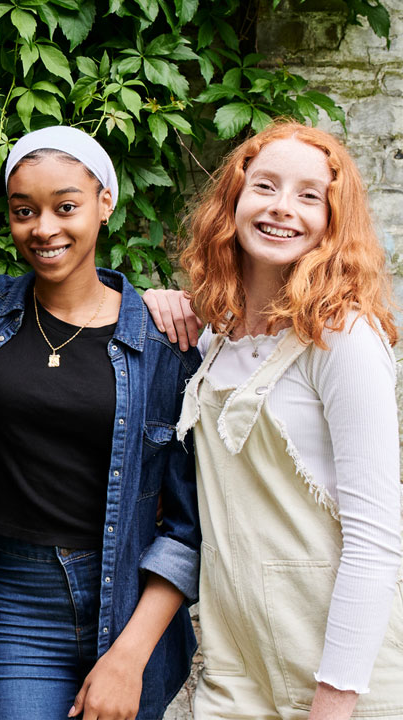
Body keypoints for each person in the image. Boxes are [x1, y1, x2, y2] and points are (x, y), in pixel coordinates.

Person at [0, 126, 201, 720]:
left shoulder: (162, 340)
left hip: (129, 603)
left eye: (66, 206)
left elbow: (189, 526)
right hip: (19, 597)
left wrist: (128, 657)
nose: (44, 228)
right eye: (23, 211)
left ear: (105, 203)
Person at [170, 121, 403, 719]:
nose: (282, 209)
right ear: (234, 202)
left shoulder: (343, 339)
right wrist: (155, 302)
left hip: (342, 672)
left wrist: (337, 698)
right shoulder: (214, 336)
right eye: (265, 186)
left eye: (308, 196)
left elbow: (377, 537)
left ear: (335, 220)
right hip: (236, 667)